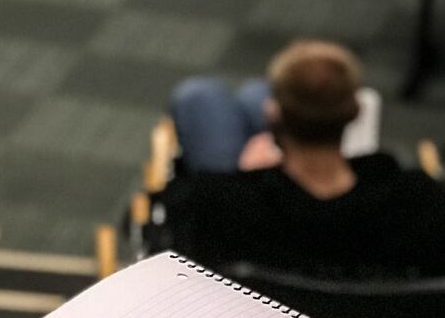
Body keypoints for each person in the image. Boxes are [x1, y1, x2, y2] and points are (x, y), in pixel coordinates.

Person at [163, 40, 445, 279]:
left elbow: (178, 222)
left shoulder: (219, 201)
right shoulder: (417, 201)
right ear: (356, 111)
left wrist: (248, 177)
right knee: (249, 95)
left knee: (202, 96)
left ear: (273, 115)